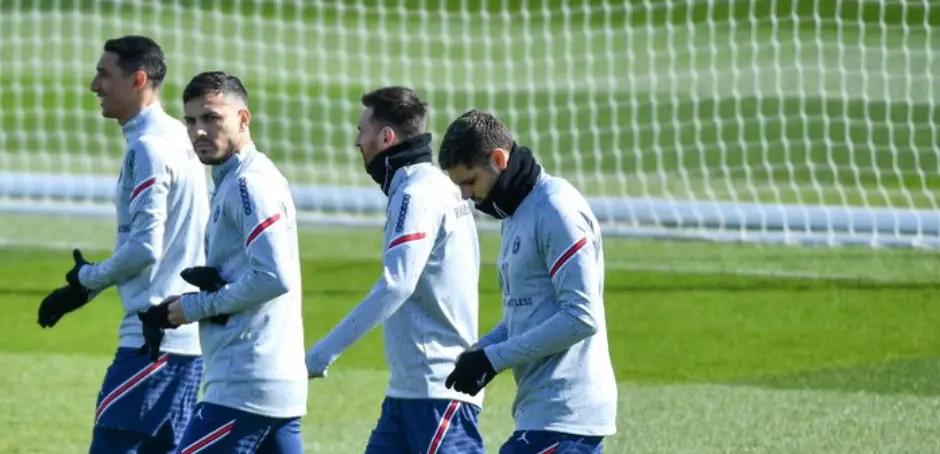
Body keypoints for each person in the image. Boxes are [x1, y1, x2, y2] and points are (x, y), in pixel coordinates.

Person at [35, 35, 210, 454]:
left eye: (104, 74)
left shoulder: (149, 148)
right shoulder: (177, 135)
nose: (94, 85)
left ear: (137, 80)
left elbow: (145, 247)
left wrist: (86, 280)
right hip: (183, 340)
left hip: (152, 342)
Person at [305, 86, 485, 453]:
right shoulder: (432, 186)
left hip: (437, 390)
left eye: (362, 131)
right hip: (409, 391)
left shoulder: (416, 194)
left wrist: (321, 353)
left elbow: (396, 284)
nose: (358, 142)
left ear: (386, 137)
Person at [437, 109, 618, 454]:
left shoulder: (556, 210)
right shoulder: (516, 212)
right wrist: (482, 351)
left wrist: (494, 358)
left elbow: (581, 317)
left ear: (499, 159)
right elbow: (526, 314)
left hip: (568, 414)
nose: (465, 195)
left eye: (470, 181)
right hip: (540, 414)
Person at [147, 71, 308, 453]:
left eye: (212, 118)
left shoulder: (248, 183)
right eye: (191, 121)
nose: (199, 131)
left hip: (246, 385)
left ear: (243, 118)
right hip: (270, 383)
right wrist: (207, 289)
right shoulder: (235, 179)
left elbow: (274, 276)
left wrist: (194, 307)